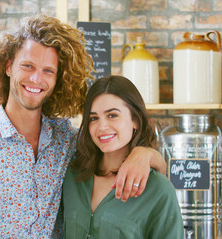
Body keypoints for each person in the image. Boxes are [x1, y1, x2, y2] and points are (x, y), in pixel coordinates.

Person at [0, 15, 166, 238]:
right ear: (7, 66)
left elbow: (121, 153)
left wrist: (144, 154)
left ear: (58, 79)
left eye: (48, 71)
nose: (36, 79)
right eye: (27, 66)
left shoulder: (66, 141)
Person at [63, 75, 183, 238]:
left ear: (135, 120)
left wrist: (145, 153)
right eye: (94, 118)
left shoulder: (159, 190)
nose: (102, 126)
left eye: (112, 115)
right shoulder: (72, 176)